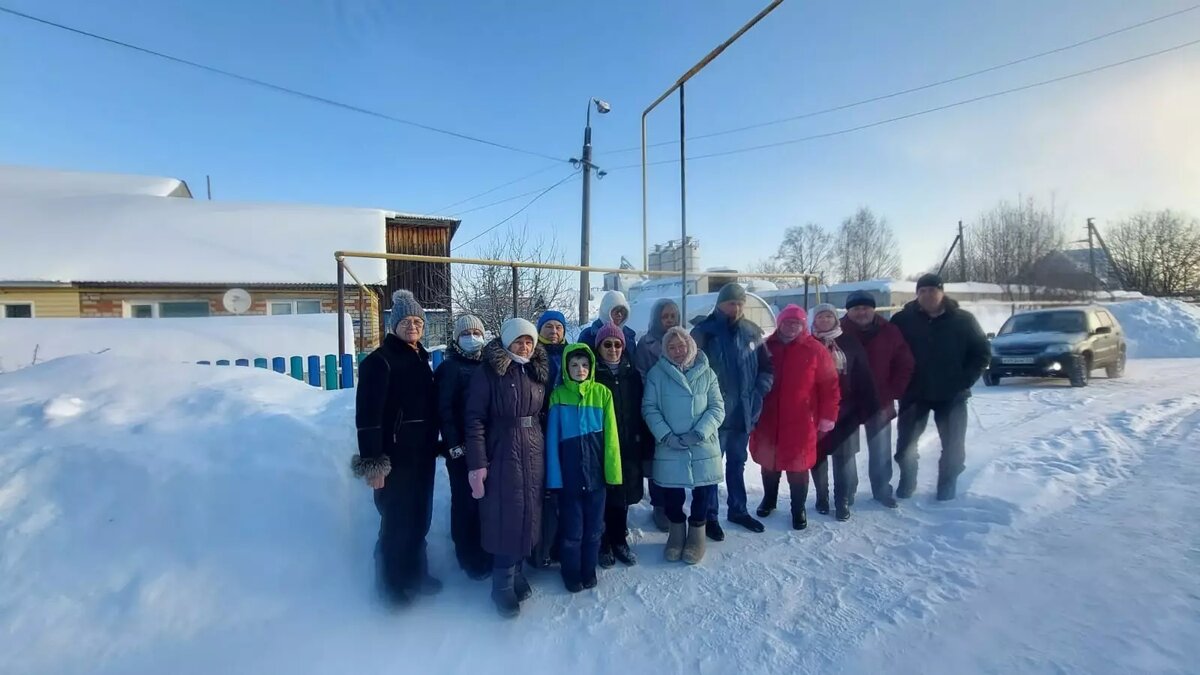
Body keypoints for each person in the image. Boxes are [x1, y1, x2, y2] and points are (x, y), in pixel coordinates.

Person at [352, 290, 442, 607]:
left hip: (422, 455)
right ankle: (391, 584)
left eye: (418, 321)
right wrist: (373, 463)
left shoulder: (420, 358)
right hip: (395, 458)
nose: (413, 326)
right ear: (394, 324)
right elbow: (368, 416)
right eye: (406, 321)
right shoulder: (380, 361)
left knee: (420, 517)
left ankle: (416, 573)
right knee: (396, 521)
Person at [464, 318, 551, 618]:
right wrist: (477, 464)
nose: (524, 346)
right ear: (506, 342)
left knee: (529, 511)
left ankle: (517, 573)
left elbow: (543, 414)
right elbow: (474, 419)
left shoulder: (536, 370)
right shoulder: (488, 373)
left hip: (534, 449)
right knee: (506, 514)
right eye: (518, 341)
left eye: (529, 341)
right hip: (501, 450)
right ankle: (501, 583)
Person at [890, 274, 990, 501]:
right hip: (915, 393)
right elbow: (889, 352)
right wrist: (897, 382)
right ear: (917, 294)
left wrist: (965, 380)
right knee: (906, 445)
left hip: (951, 395)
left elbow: (981, 352)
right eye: (922, 291)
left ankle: (946, 490)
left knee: (953, 449)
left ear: (942, 292)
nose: (927, 295)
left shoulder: (963, 320)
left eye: (932, 290)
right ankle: (908, 482)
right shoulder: (903, 320)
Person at [691, 282, 774, 539]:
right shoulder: (704, 332)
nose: (736, 307)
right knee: (711, 467)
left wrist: (760, 389)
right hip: (714, 414)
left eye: (739, 303)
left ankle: (738, 510)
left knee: (737, 464)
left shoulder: (751, 332)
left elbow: (767, 366)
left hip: (744, 413)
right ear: (720, 304)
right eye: (731, 303)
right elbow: (691, 371)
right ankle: (710, 515)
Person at [750, 305, 839, 531]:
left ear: (803, 325)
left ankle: (797, 508)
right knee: (769, 462)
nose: (792, 327)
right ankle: (769, 500)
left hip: (801, 420)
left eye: (797, 323)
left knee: (798, 466)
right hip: (768, 417)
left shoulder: (815, 350)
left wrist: (827, 417)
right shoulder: (766, 347)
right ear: (779, 323)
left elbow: (830, 386)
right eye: (787, 322)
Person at [642, 327, 724, 565]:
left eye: (681, 346)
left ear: (690, 346)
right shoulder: (657, 374)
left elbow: (717, 407)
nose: (678, 351)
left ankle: (697, 533)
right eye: (672, 347)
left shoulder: (706, 373)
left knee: (704, 490)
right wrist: (666, 436)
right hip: (670, 444)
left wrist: (700, 432)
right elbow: (649, 408)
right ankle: (676, 534)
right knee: (672, 493)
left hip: (702, 443)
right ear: (665, 350)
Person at [545, 343, 622, 592]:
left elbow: (611, 439)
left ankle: (588, 570)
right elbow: (552, 442)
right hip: (569, 479)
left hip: (597, 479)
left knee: (593, 531)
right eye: (575, 365)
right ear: (566, 368)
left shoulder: (602, 394)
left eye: (585, 365)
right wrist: (554, 480)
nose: (580, 369)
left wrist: (612, 474)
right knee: (572, 531)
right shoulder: (558, 396)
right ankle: (570, 571)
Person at [840, 290, 915, 508]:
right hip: (847, 402)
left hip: (879, 400)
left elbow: (905, 362)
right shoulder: (838, 331)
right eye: (856, 308)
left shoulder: (889, 331)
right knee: (845, 452)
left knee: (881, 449)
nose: (861, 312)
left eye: (865, 307)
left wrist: (894, 391)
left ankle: (882, 491)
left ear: (873, 309)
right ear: (849, 311)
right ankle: (847, 493)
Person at [810, 303, 880, 522]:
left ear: (836, 319)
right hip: (815, 410)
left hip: (847, 409)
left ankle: (842, 501)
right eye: (820, 316)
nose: (825, 320)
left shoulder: (849, 341)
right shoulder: (807, 343)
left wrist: (868, 407)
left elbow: (863, 374)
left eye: (829, 316)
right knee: (817, 457)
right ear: (814, 320)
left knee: (844, 458)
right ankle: (822, 497)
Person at [433, 314, 491, 580]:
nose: (472, 338)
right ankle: (467, 554)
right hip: (461, 450)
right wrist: (454, 444)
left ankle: (485, 547)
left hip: (485, 446)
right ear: (456, 338)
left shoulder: (488, 364)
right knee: (465, 501)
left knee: (484, 501)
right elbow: (443, 410)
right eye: (465, 334)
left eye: (476, 333)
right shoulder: (450, 368)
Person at [593, 322, 653, 567]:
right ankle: (604, 541)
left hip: (629, 442)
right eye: (607, 344)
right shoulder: (593, 374)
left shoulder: (632, 374)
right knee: (606, 494)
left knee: (624, 494)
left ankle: (619, 540)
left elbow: (642, 410)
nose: (613, 349)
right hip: (604, 444)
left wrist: (645, 442)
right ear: (599, 347)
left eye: (618, 344)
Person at [634, 298, 681, 532]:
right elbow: (641, 374)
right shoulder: (646, 343)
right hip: (656, 408)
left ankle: (675, 504)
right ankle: (659, 505)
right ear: (656, 319)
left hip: (680, 410)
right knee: (656, 459)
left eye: (673, 315)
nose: (670, 320)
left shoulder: (683, 339)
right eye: (665, 316)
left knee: (676, 458)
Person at [530, 309, 569, 569]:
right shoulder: (533, 355)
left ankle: (559, 545)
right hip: (538, 428)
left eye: (558, 327)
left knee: (563, 489)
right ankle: (539, 548)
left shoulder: (571, 355)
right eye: (548, 327)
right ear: (539, 330)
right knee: (542, 490)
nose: (553, 332)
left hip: (566, 430)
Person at [578, 290, 638, 361]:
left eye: (623, 311)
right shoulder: (588, 336)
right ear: (606, 311)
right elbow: (580, 363)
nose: (620, 315)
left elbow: (633, 363)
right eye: (616, 311)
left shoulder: (629, 335)